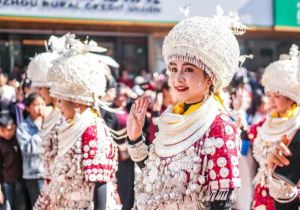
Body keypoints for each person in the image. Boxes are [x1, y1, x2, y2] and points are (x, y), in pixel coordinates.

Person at [126, 7, 246, 210]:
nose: (178, 77)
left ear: (209, 78)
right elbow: (155, 179)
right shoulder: (170, 118)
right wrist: (135, 137)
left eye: (188, 69)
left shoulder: (218, 125)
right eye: (173, 69)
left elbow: (222, 201)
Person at [34, 34, 120, 210]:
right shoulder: (70, 126)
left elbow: (100, 182)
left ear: (76, 100)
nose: (58, 105)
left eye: (61, 100)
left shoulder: (92, 128)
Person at [248, 44, 300, 210]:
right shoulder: (261, 125)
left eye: (277, 96)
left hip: (288, 199)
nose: (271, 101)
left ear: (291, 98)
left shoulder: (297, 127)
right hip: (260, 194)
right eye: (269, 95)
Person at [16, 93, 46, 208]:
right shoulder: (23, 127)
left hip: (50, 173)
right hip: (34, 174)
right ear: (28, 108)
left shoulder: (48, 123)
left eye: (42, 104)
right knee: (39, 206)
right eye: (36, 105)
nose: (40, 108)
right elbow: (28, 149)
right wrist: (39, 131)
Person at [0, 110, 26, 210]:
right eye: (3, 130)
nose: (7, 133)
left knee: (21, 206)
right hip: (5, 183)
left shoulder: (18, 138)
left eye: (10, 130)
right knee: (7, 207)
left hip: (20, 180)